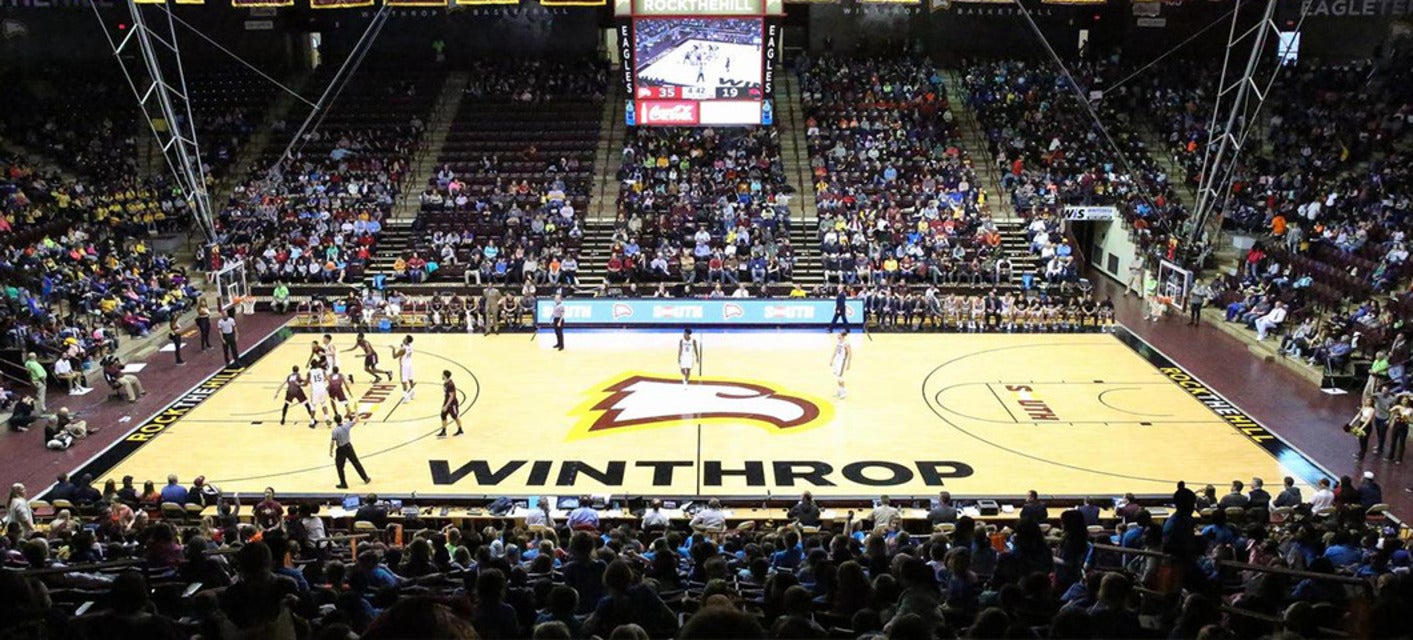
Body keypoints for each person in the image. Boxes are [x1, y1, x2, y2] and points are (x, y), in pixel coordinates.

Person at [331, 412, 371, 489]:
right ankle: (365, 478)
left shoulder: (335, 431)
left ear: (335, 421)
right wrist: (356, 412)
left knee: (340, 467)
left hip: (341, 450)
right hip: (349, 447)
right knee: (356, 463)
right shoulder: (347, 425)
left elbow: (333, 442)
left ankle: (343, 483)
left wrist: (331, 451)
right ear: (341, 419)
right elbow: (356, 420)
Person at [438, 370, 464, 438]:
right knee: (443, 415)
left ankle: (460, 430)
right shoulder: (445, 383)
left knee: (455, 416)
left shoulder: (450, 384)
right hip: (446, 402)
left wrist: (446, 406)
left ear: (445, 376)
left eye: (442, 374)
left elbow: (452, 396)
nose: (441, 376)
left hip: (452, 404)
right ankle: (443, 432)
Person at [392, 335, 416, 401]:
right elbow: (404, 347)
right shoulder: (410, 346)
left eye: (405, 339)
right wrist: (402, 346)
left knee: (404, 381)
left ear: (407, 341)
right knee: (410, 379)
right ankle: (412, 394)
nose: (403, 339)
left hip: (404, 366)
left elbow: (394, 356)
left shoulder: (403, 349)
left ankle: (406, 397)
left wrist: (393, 349)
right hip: (410, 365)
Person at [831, 329, 852, 399]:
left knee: (840, 378)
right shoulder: (838, 342)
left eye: (839, 334)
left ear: (843, 336)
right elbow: (835, 350)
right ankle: (840, 391)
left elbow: (850, 354)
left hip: (842, 362)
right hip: (837, 361)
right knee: (837, 377)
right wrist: (832, 359)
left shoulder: (846, 344)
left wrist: (848, 364)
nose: (838, 335)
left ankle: (843, 392)